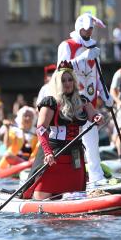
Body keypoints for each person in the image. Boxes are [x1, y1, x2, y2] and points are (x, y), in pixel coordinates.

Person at [22, 61, 104, 200]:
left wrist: (98, 117)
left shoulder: (82, 101)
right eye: (63, 80)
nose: (67, 83)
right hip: (54, 155)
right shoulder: (50, 103)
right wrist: (48, 153)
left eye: (70, 79)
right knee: (41, 196)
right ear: (57, 83)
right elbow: (41, 129)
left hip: (75, 155)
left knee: (76, 195)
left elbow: (93, 115)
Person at [56, 12, 113, 186]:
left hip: (90, 104)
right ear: (79, 27)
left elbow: (98, 75)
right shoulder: (66, 45)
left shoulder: (94, 48)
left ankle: (96, 177)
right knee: (70, 143)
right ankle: (65, 177)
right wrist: (82, 58)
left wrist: (106, 95)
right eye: (87, 29)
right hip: (71, 104)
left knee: (92, 141)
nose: (89, 33)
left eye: (91, 29)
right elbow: (61, 70)